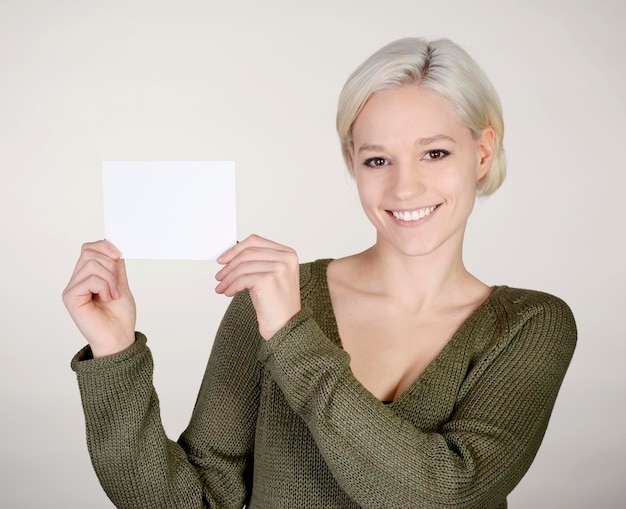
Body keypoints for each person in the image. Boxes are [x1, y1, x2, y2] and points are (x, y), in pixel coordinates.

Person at [63, 37, 576, 509]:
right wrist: (115, 353)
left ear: (482, 153)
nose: (404, 188)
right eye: (378, 160)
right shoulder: (271, 300)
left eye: (435, 153)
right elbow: (195, 500)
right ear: (353, 161)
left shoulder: (530, 325)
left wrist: (291, 338)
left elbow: (439, 492)